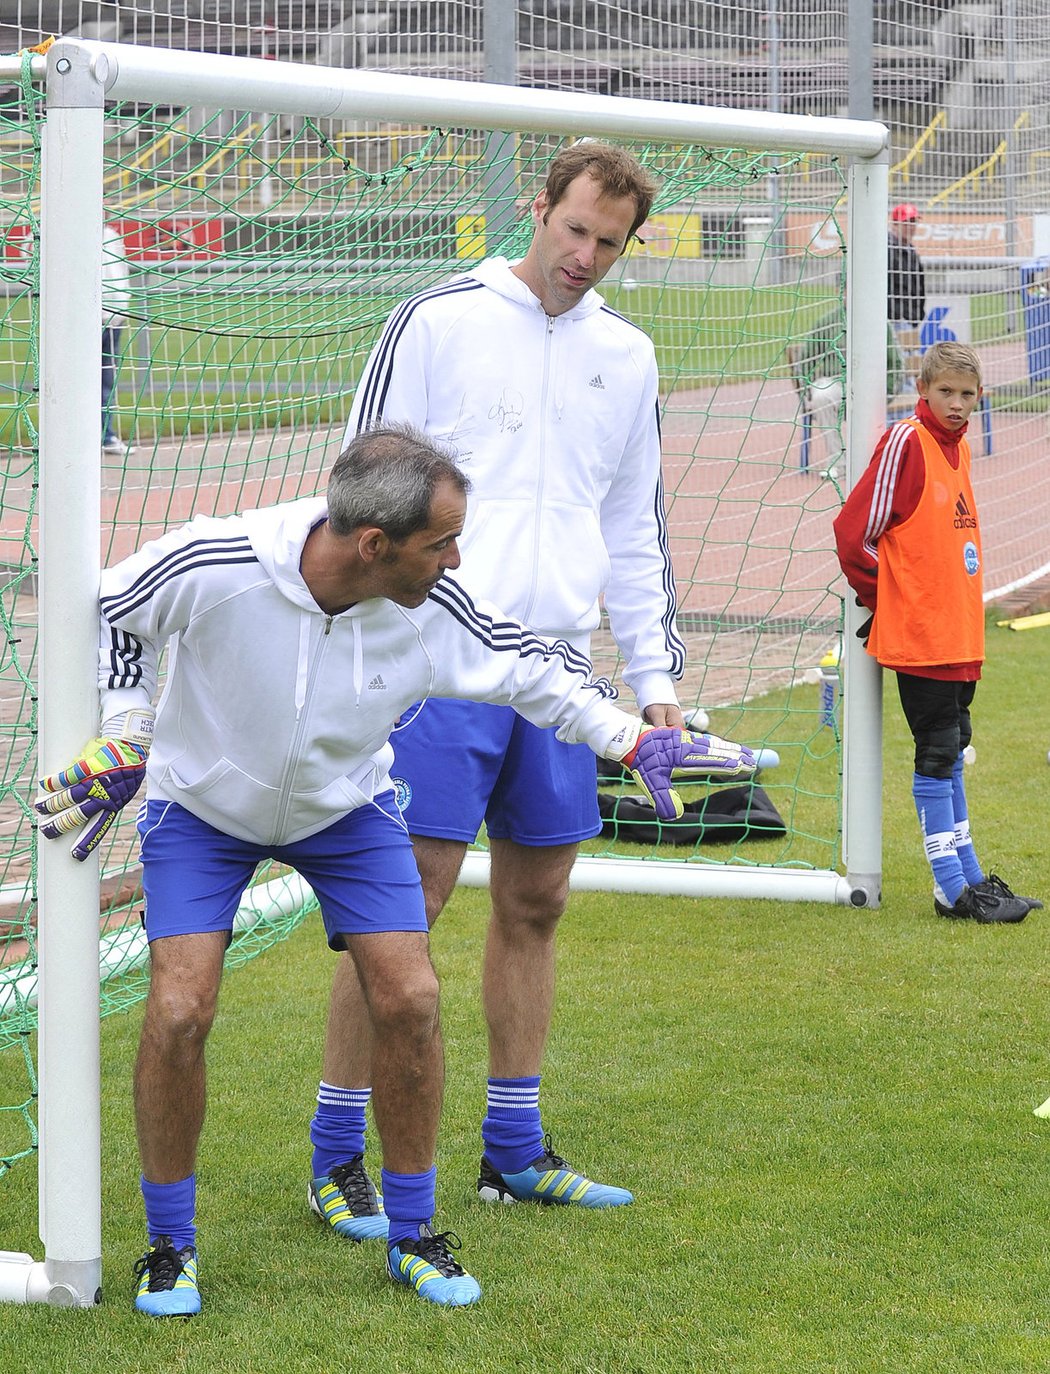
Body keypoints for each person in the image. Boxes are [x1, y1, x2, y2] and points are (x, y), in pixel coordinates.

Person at [34, 424, 754, 1317]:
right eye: (441, 541)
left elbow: (537, 674)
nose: (455, 559)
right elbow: (111, 605)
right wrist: (130, 726)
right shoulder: (217, 562)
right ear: (373, 546)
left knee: (410, 997)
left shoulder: (433, 609)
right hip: (204, 812)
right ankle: (170, 1247)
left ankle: (415, 1233)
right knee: (180, 1007)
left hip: (349, 812)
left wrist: (633, 736)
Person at [307, 140, 687, 1233]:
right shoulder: (439, 318)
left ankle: (514, 1150)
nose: (585, 257)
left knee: (537, 901)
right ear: (538, 208)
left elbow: (631, 527)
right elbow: (357, 479)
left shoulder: (631, 355)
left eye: (608, 244)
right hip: (430, 660)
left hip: (558, 673)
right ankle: (339, 1154)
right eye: (573, 230)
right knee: (399, 910)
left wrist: (652, 679)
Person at [833, 342, 1042, 924]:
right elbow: (855, 534)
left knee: (954, 748)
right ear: (922, 389)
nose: (955, 403)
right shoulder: (907, 442)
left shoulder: (963, 449)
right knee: (937, 751)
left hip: (958, 635)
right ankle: (951, 889)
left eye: (966, 394)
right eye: (944, 391)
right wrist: (888, 600)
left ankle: (970, 879)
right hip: (921, 635)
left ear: (981, 398)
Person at [790, 309, 905, 479]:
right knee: (821, 396)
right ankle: (838, 463)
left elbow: (895, 362)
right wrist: (808, 391)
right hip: (835, 385)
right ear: (841, 290)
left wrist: (887, 391)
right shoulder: (827, 321)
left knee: (868, 402)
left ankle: (874, 465)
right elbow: (806, 359)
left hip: (867, 386)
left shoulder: (879, 322)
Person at [102, 223, 133, 456]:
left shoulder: (111, 236)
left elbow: (121, 273)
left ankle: (106, 435)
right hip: (89, 318)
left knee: (107, 379)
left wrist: (122, 306)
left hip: (114, 316)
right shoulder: (71, 233)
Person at [887, 203, 926, 384]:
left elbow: (918, 288)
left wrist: (916, 316)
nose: (912, 227)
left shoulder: (911, 252)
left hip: (907, 321)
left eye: (914, 222)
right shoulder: (886, 250)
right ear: (894, 224)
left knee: (913, 369)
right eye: (907, 222)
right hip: (893, 321)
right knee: (902, 371)